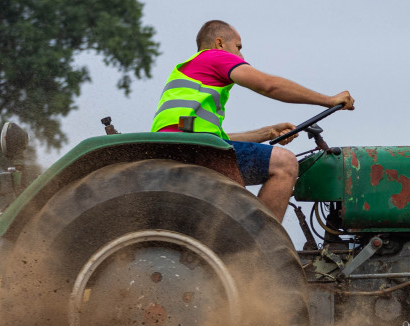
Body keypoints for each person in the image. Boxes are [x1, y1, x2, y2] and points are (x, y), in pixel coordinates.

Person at [152, 20, 354, 221]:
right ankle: (262, 246)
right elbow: (268, 85)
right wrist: (328, 100)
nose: (241, 56)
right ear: (220, 43)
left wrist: (266, 133)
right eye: (238, 48)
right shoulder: (215, 57)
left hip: (184, 147)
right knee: (285, 163)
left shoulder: (190, 75)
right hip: (197, 149)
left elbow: (222, 139)